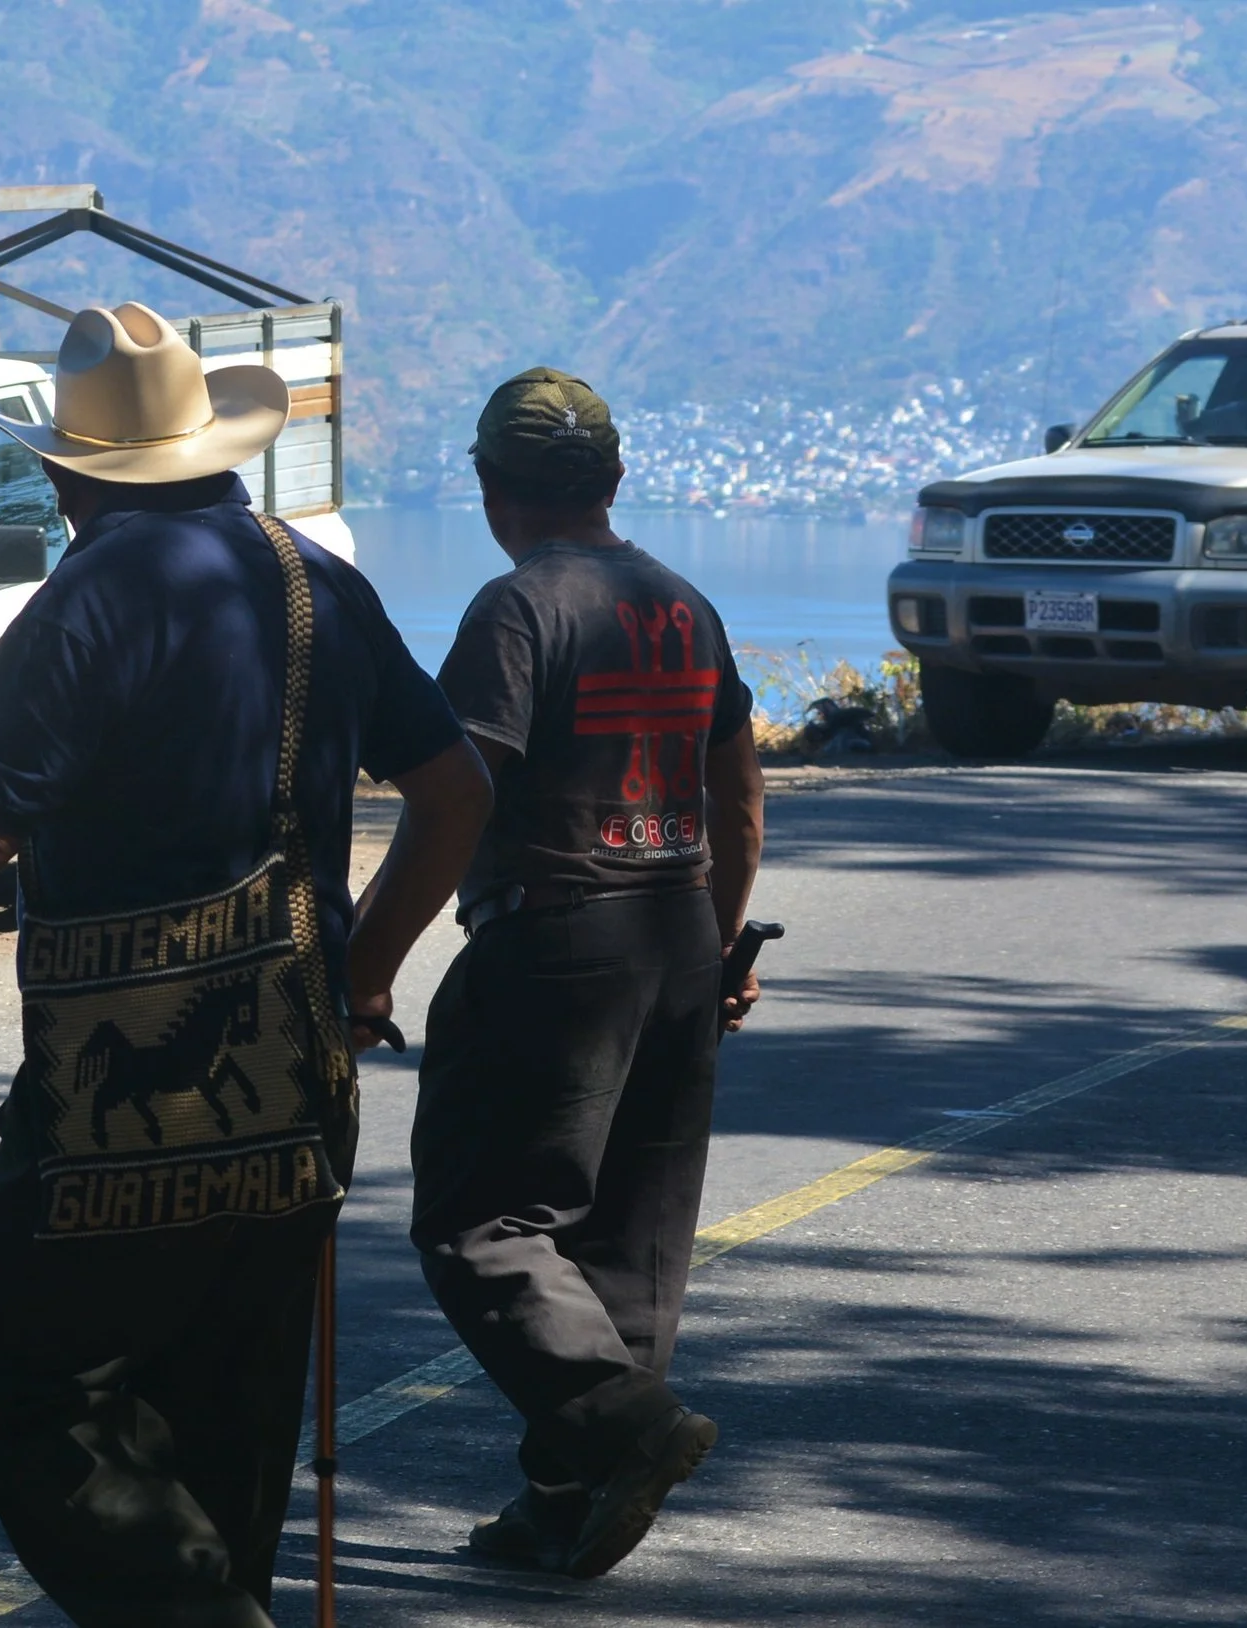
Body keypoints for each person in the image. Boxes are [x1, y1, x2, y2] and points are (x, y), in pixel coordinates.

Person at [0, 300, 493, 1628]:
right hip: (296, 1090)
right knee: (229, 1432)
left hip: (116, 1111)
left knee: (29, 1385)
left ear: (68, 474)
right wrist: (366, 974)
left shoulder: (86, 601)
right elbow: (455, 794)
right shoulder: (312, 577)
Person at [407, 367, 767, 1580]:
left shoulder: (515, 612)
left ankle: (630, 1427)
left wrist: (364, 961)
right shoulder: (685, 603)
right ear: (613, 480)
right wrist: (716, 944)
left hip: (556, 942)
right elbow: (739, 798)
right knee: (628, 1243)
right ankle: (566, 1501)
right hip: (675, 931)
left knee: (481, 1221)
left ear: (487, 486)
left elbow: (458, 798)